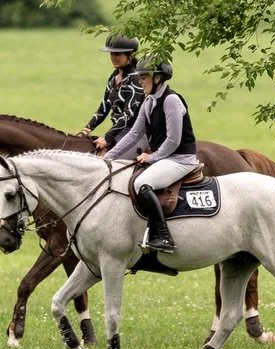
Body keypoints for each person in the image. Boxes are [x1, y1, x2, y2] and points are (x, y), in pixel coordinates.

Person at [105, 56, 200, 253]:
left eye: (144, 77)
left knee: (141, 184)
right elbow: (133, 135)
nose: (140, 81)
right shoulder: (148, 102)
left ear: (157, 78)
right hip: (166, 159)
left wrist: (153, 157)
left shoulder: (171, 100)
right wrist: (107, 158)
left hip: (181, 159)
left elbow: (173, 140)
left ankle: (163, 236)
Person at [81, 33, 141, 154]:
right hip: (118, 132)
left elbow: (127, 115)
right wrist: (87, 129)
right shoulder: (114, 77)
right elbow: (104, 107)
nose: (113, 57)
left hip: (134, 133)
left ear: (130, 54)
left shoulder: (136, 79)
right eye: (111, 53)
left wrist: (106, 138)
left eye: (117, 54)